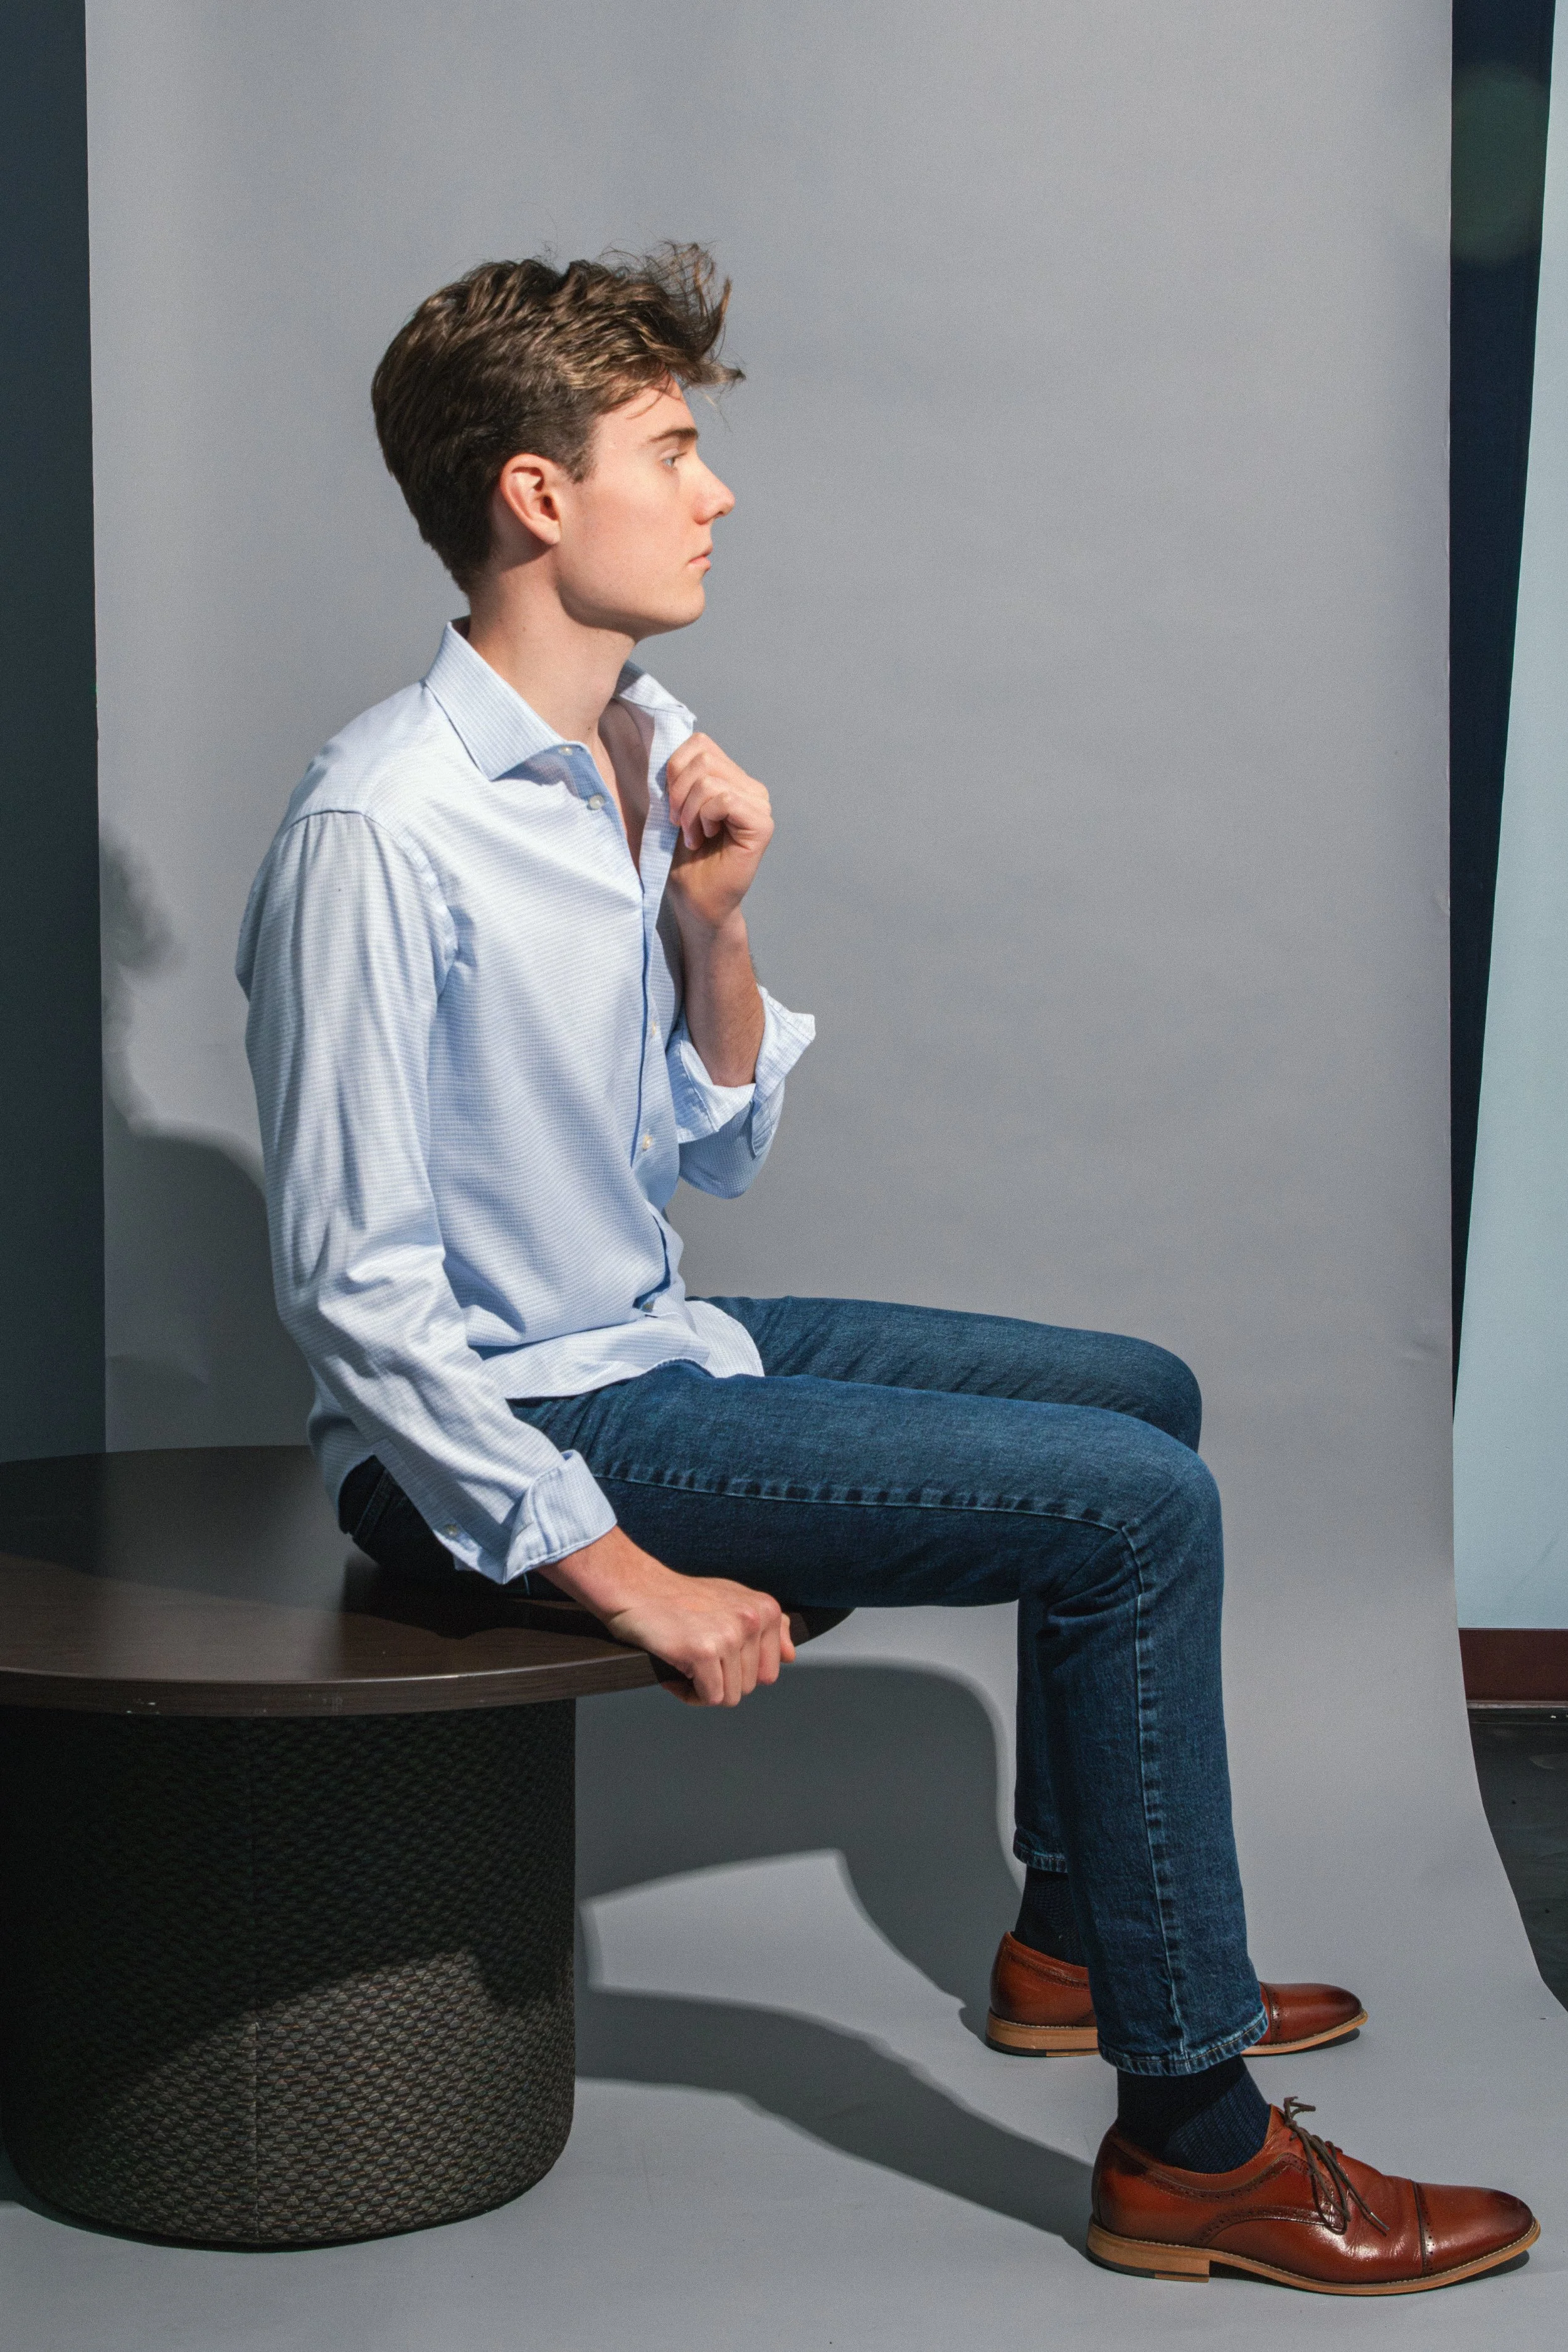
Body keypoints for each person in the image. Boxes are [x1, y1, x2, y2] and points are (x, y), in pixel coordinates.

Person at [238, 245, 1537, 2293]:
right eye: (671, 447)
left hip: (643, 1333)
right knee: (1139, 1514)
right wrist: (626, 1571)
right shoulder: (379, 829)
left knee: (1139, 1395)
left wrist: (717, 927)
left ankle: (1084, 1938)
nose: (717, 489)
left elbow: (701, 1150)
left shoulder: (631, 750)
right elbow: (351, 1288)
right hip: (485, 1424)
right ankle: (1191, 2135)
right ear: (537, 497)